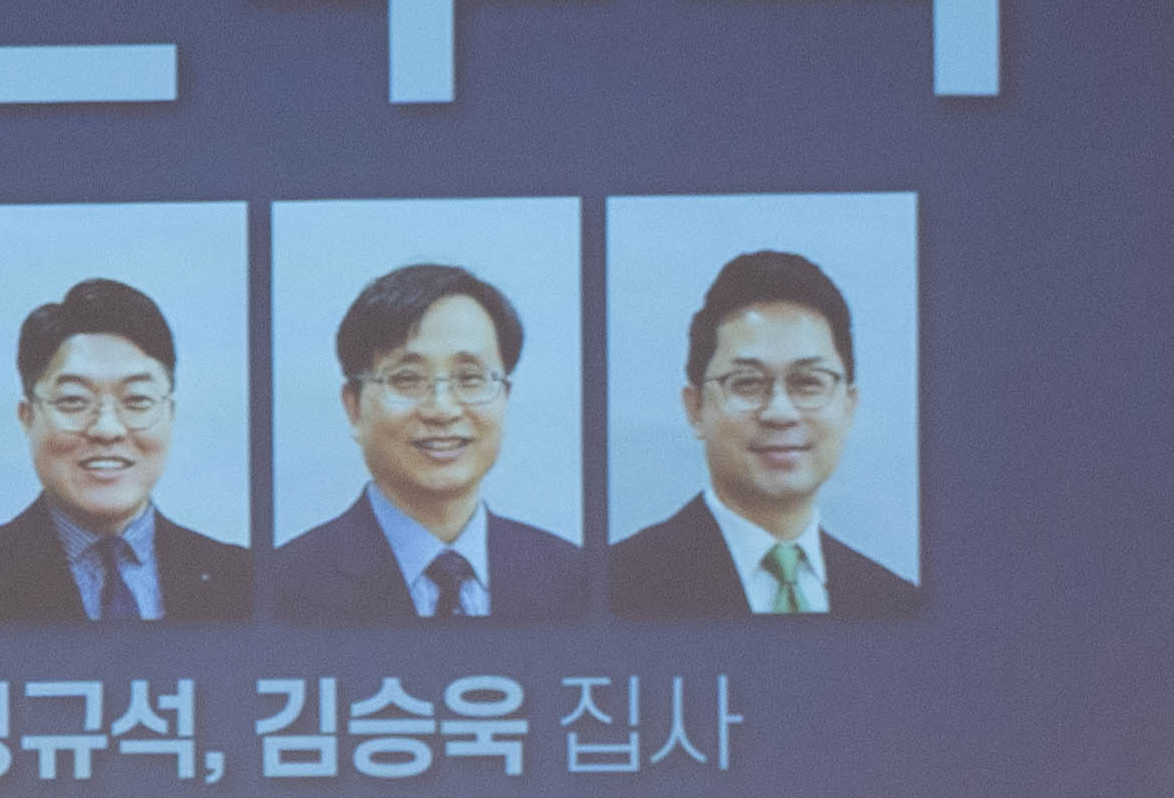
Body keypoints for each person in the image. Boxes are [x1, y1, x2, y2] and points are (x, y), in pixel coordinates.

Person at [264, 261, 592, 627]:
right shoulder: (279, 590)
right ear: (354, 408)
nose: (442, 410)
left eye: (470, 378)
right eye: (407, 379)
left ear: (505, 398)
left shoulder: (577, 581)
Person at [600, 251, 916, 618]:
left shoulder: (898, 605)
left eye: (808, 383)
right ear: (696, 408)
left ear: (849, 406)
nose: (780, 413)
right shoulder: (613, 588)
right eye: (747, 383)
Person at [0, 275, 258, 623]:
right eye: (73, 400)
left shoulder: (246, 582)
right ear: (27, 416)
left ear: (170, 414)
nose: (107, 430)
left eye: (136, 401)